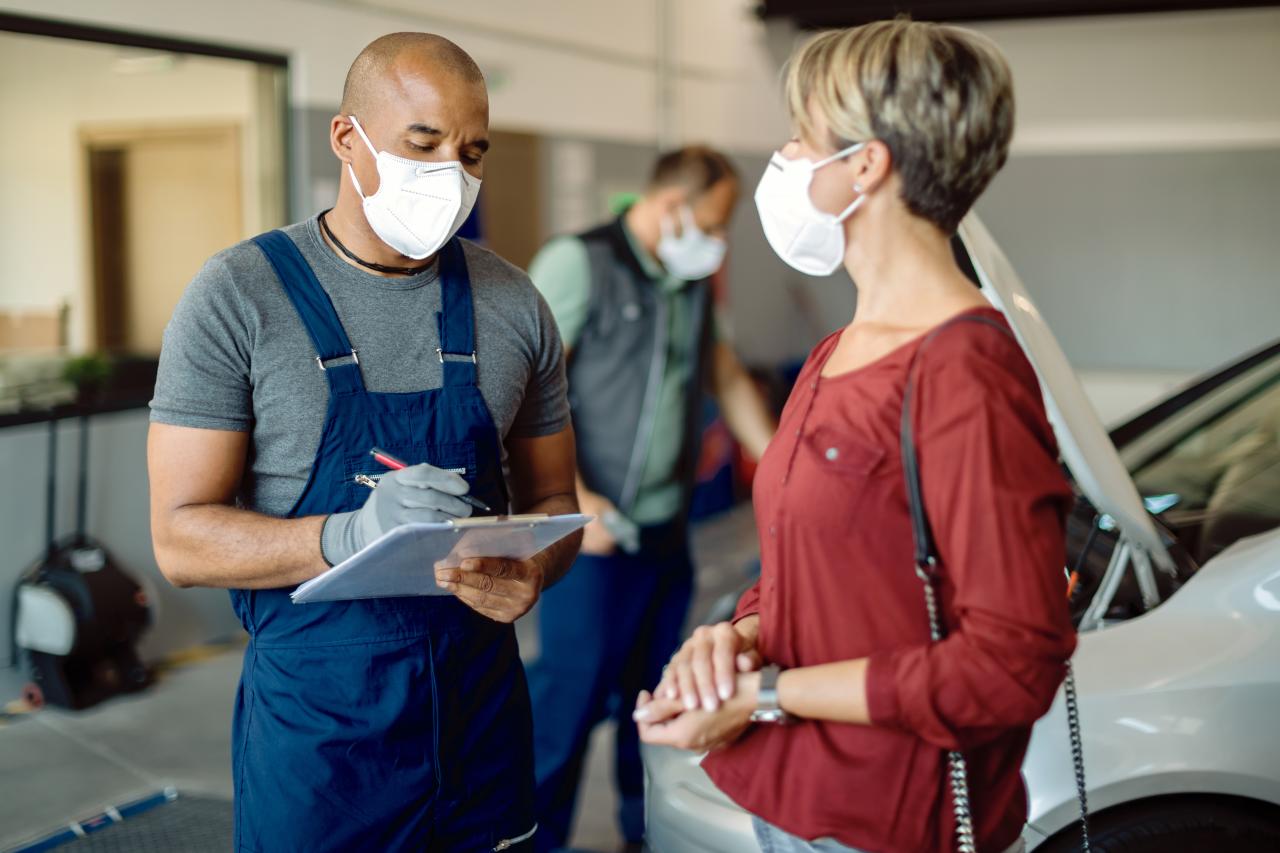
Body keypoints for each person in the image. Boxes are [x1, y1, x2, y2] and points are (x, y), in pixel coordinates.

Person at [636, 19, 1076, 853]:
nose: (788, 162)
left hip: (890, 820)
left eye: (801, 138)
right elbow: (815, 568)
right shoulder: (837, 352)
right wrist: (735, 638)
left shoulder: (963, 373)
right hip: (796, 800)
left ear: (866, 164)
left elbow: (1012, 663)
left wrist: (767, 695)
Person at [147, 33, 580, 852]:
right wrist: (349, 535)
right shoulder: (239, 296)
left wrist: (534, 568)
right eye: (424, 143)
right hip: (323, 746)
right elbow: (179, 537)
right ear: (348, 139)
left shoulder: (514, 304)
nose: (451, 173)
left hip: (481, 730)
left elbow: (558, 500)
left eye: (472, 151)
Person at [524, 146, 776, 851]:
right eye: (715, 222)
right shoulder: (581, 262)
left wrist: (785, 464)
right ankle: (535, 840)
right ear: (670, 206)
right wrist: (573, 497)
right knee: (569, 703)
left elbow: (723, 374)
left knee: (658, 695)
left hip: (666, 531)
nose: (720, 241)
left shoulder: (689, 280)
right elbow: (525, 388)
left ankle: (647, 832)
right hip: (594, 535)